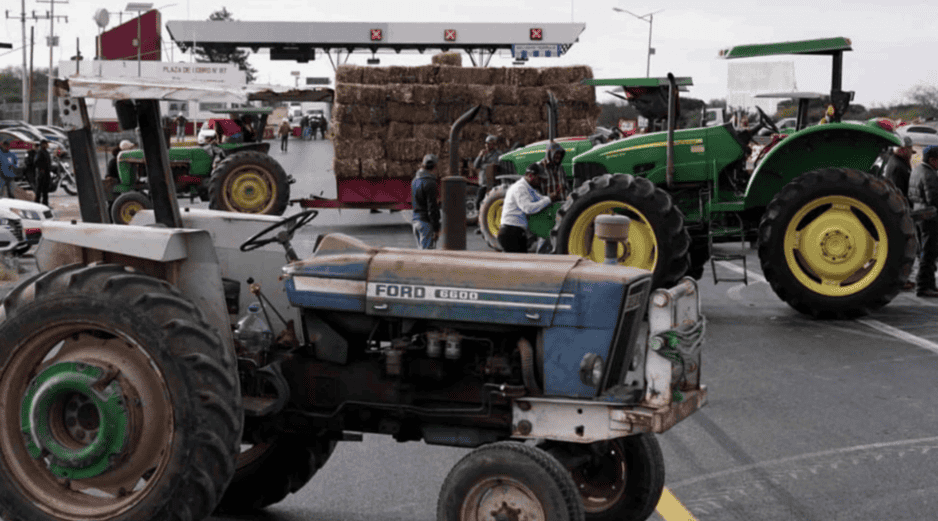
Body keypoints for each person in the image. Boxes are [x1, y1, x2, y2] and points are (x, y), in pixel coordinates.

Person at [498, 163, 557, 253]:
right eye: (539, 178)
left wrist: (550, 198)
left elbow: (540, 199)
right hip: (510, 233)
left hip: (517, 232)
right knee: (516, 264)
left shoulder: (529, 189)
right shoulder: (519, 188)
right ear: (530, 175)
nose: (540, 181)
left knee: (519, 263)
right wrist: (549, 199)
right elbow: (528, 208)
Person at [909, 145, 938, 297]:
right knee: (929, 252)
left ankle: (930, 285)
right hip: (929, 217)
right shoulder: (929, 174)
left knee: (924, 251)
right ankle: (924, 287)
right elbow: (933, 198)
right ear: (933, 160)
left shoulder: (917, 170)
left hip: (919, 213)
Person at [473, 134, 504, 234]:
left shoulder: (498, 154)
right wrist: (480, 156)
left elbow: (497, 167)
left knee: (490, 205)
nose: (486, 145)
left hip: (491, 183)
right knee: (478, 203)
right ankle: (481, 225)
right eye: (486, 143)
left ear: (493, 145)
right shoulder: (483, 154)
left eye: (489, 144)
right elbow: (475, 166)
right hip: (483, 182)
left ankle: (490, 226)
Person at [411, 154, 441, 249]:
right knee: (426, 257)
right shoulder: (430, 183)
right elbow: (432, 208)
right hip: (425, 224)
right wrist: (436, 229)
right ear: (434, 167)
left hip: (416, 221)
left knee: (421, 253)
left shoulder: (415, 181)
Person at [33, 140, 52, 206]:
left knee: (45, 190)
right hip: (42, 173)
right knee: (39, 189)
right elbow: (36, 161)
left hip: (46, 173)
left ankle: (45, 203)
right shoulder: (40, 152)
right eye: (45, 144)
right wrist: (41, 169)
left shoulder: (46, 152)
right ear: (42, 145)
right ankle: (37, 203)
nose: (47, 145)